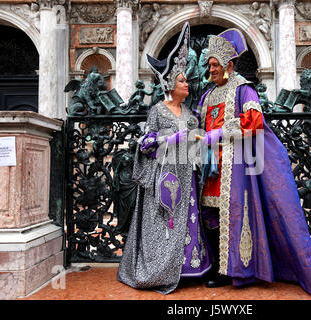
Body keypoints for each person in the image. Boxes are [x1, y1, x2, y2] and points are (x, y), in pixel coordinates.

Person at [197, 28, 311, 297]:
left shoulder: (244, 89)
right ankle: (216, 266)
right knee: (210, 214)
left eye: (214, 65)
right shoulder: (207, 95)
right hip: (211, 166)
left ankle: (232, 270)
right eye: (209, 65)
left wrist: (219, 133)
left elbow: (255, 123)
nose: (210, 70)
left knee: (233, 215)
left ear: (229, 65)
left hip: (236, 166)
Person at [117, 22, 212, 295]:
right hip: (163, 178)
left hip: (186, 177)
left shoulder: (192, 115)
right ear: (170, 83)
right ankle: (158, 270)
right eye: (182, 80)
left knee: (189, 222)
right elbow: (145, 143)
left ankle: (188, 269)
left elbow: (197, 150)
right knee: (163, 224)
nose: (187, 83)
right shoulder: (158, 111)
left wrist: (200, 145)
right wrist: (170, 140)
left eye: (185, 79)